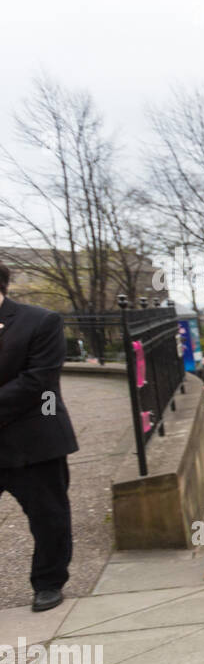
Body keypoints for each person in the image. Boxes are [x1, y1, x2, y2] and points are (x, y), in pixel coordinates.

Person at [0, 262, 79, 612]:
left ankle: (48, 582)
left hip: (34, 440)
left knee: (49, 518)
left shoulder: (41, 321)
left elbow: (38, 382)